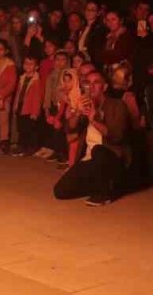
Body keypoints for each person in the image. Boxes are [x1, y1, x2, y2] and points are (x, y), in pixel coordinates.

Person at [53, 69, 130, 206]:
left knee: (98, 150)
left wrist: (94, 119)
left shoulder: (117, 105)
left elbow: (117, 136)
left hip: (112, 158)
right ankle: (100, 184)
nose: (91, 86)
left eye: (96, 83)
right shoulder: (85, 104)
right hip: (91, 160)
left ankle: (104, 193)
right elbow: (70, 129)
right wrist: (77, 112)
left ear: (104, 87)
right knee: (60, 191)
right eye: (88, 83)